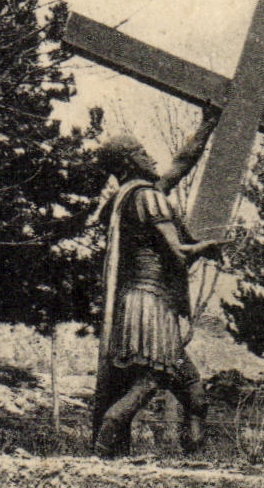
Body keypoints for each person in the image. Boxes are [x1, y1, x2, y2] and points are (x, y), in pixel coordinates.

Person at [89, 107, 223, 458]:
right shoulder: (148, 197)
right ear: (130, 162)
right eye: (143, 153)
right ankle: (107, 437)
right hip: (151, 303)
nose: (152, 158)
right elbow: (178, 253)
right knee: (150, 381)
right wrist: (206, 247)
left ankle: (193, 452)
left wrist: (207, 126)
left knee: (193, 390)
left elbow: (181, 163)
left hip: (132, 303)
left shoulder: (125, 200)